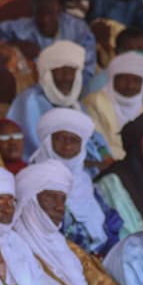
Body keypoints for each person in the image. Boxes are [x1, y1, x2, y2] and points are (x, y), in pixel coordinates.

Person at [14, 160, 122, 285]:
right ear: (30, 199)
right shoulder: (14, 250)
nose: (60, 207)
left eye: (63, 199)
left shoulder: (68, 247)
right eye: (51, 197)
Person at [31, 107, 119, 254]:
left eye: (74, 140)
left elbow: (109, 222)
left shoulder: (84, 180)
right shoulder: (34, 179)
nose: (67, 146)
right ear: (48, 140)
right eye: (60, 138)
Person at [6, 40, 108, 163]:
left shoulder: (76, 105)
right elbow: (35, 147)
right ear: (47, 74)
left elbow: (94, 138)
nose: (66, 78)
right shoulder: (30, 100)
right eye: (59, 71)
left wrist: (105, 156)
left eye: (71, 71)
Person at [1, 0, 96, 78]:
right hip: (37, 85)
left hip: (75, 83)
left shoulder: (78, 29)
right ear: (32, 12)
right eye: (39, 13)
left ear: (58, 9)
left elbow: (88, 68)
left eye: (49, 13)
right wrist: (15, 46)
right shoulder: (21, 28)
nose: (44, 19)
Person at [82, 50, 143, 158]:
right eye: (124, 79)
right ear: (112, 79)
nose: (130, 85)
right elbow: (98, 146)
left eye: (136, 80)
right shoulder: (94, 103)